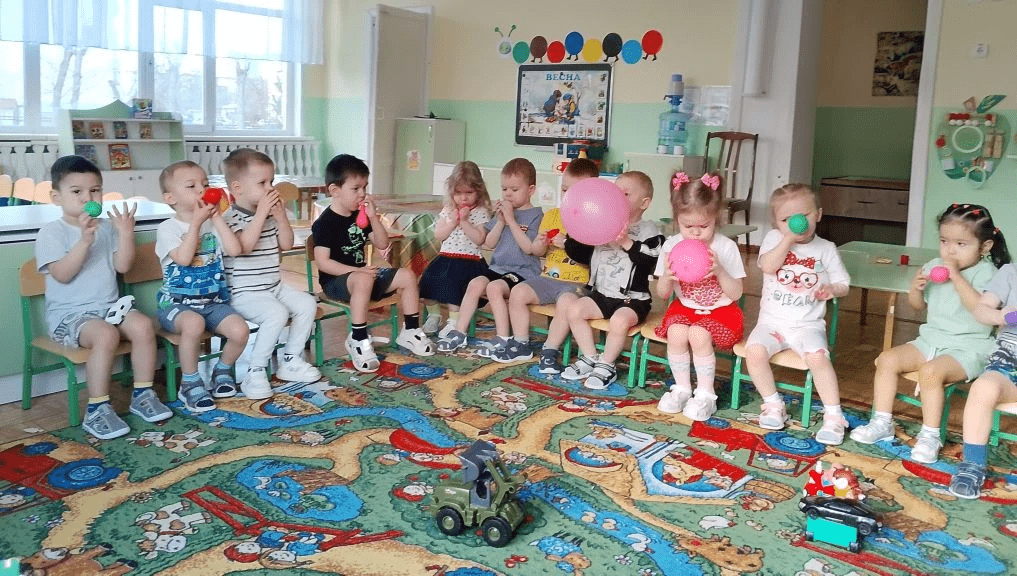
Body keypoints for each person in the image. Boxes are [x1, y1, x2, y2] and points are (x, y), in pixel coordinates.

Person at [852, 204, 1006, 464]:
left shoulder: (989, 274)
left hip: (970, 347)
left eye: (961, 244)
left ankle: (931, 435)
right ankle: (882, 422)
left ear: (985, 246)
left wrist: (956, 277)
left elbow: (980, 310)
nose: (950, 250)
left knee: (931, 372)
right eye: (944, 241)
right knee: (887, 359)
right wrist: (916, 289)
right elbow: (917, 307)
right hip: (931, 340)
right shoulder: (934, 265)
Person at [35, 155, 163, 440]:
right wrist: (84, 241)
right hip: (70, 315)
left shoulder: (105, 227)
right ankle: (97, 408)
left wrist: (125, 234)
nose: (87, 198)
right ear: (56, 197)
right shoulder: (51, 232)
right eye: (77, 191)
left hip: (109, 308)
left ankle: (143, 394)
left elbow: (122, 266)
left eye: (94, 190)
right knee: (105, 334)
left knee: (143, 326)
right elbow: (62, 274)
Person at [744, 183, 850, 445]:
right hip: (772, 323)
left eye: (803, 216)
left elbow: (843, 284)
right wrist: (788, 239)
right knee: (754, 352)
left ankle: (834, 416)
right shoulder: (774, 239)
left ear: (818, 214)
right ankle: (773, 404)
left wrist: (832, 289)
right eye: (786, 220)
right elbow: (768, 266)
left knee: (818, 358)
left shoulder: (826, 248)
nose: (796, 224)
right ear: (776, 223)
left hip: (807, 325)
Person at [311, 154, 436, 373]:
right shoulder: (325, 223)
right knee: (363, 279)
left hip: (364, 276)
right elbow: (323, 263)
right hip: (336, 281)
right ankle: (358, 338)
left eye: (364, 188)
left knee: (406, 276)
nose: (362, 194)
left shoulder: (360, 216)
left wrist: (373, 217)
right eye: (355, 188)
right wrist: (357, 271)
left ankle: (410, 331)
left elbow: (382, 243)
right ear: (335, 190)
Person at [222, 148, 322, 398]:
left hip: (273, 286)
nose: (270, 189)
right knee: (276, 314)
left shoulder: (269, 215)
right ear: (237, 188)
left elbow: (286, 244)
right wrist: (261, 215)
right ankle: (254, 372)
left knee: (307, 304)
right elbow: (243, 247)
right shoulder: (229, 219)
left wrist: (280, 218)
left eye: (272, 181)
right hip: (243, 292)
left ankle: (290, 360)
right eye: (262, 183)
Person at [155, 160, 251, 413]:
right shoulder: (167, 228)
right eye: (192, 186)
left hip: (212, 303)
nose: (202, 190)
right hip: (175, 305)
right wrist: (196, 224)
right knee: (194, 324)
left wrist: (217, 218)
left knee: (240, 330)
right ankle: (190, 382)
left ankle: (222, 370)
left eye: (205, 184)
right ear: (170, 198)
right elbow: (184, 259)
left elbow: (235, 250)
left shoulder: (213, 223)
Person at [558, 171, 665, 389]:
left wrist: (627, 242)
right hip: (601, 295)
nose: (617, 198)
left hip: (632, 300)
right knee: (574, 310)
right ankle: (590, 357)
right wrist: (576, 233)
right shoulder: (602, 222)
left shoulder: (650, 231)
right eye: (615, 192)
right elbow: (583, 254)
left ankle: (607, 364)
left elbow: (652, 261)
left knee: (618, 321)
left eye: (625, 194)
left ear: (644, 203)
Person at [654, 172, 746, 421]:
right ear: (677, 220)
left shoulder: (725, 247)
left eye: (704, 226)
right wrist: (667, 277)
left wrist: (720, 271)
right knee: (676, 333)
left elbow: (737, 293)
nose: (695, 233)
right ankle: (682, 389)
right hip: (685, 308)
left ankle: (706, 394)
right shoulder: (671, 246)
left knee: (697, 334)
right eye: (687, 226)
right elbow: (662, 294)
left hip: (722, 312)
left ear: (716, 218)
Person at [437, 158, 543, 355]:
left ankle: (503, 338)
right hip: (498, 269)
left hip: (523, 273)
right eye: (504, 189)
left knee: (494, 288)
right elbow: (489, 243)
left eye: (514, 189)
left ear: (531, 190)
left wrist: (511, 220)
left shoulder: (536, 215)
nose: (508, 194)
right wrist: (501, 221)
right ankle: (459, 332)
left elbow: (529, 248)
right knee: (475, 283)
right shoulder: (501, 214)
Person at [502, 157, 599, 366]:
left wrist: (567, 244)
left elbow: (591, 257)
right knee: (518, 292)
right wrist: (539, 243)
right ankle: (521, 343)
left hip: (577, 284)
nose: (567, 196)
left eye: (575, 193)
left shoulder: (593, 221)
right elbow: (537, 252)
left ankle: (550, 349)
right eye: (564, 190)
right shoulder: (552, 216)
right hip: (547, 277)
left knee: (566, 304)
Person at [948, 222, 1015, 498]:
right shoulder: (1010, 273)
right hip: (1008, 367)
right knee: (983, 387)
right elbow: (980, 310)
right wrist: (1001, 316)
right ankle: (973, 464)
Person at [419, 161, 493, 338]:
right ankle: (434, 316)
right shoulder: (448, 210)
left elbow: (480, 239)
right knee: (426, 282)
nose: (463, 198)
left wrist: (465, 222)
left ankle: (454, 322)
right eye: (458, 193)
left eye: (469, 193)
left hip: (470, 261)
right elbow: (439, 235)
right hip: (445, 258)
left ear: (479, 191)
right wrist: (452, 222)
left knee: (454, 286)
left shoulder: (481, 211)